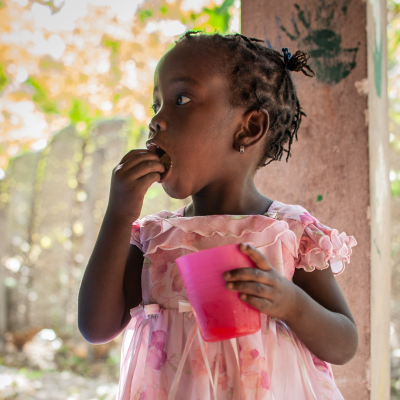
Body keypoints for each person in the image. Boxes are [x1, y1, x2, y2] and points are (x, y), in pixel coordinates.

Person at [78, 31, 358, 400]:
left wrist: (291, 303)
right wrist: (119, 213)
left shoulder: (290, 232)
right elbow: (97, 327)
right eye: (156, 105)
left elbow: (343, 343)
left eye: (181, 99)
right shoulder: (153, 237)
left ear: (249, 128)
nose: (157, 120)